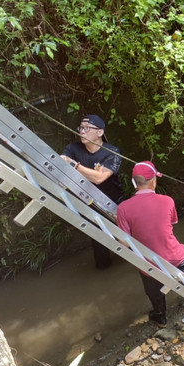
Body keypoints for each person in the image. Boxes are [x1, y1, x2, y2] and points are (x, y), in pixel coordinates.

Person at [117, 161, 184, 326]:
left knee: (151, 288)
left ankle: (160, 315)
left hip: (150, 265)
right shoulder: (167, 201)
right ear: (154, 181)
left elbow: (124, 243)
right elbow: (171, 224)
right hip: (175, 257)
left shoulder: (123, 209)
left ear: (134, 183)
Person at [61, 114, 124, 269]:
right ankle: (104, 271)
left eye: (87, 128)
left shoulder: (112, 152)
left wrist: (75, 166)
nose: (82, 131)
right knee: (99, 243)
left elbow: (99, 177)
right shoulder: (73, 148)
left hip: (113, 201)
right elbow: (62, 162)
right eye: (81, 128)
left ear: (100, 132)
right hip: (90, 204)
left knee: (127, 240)